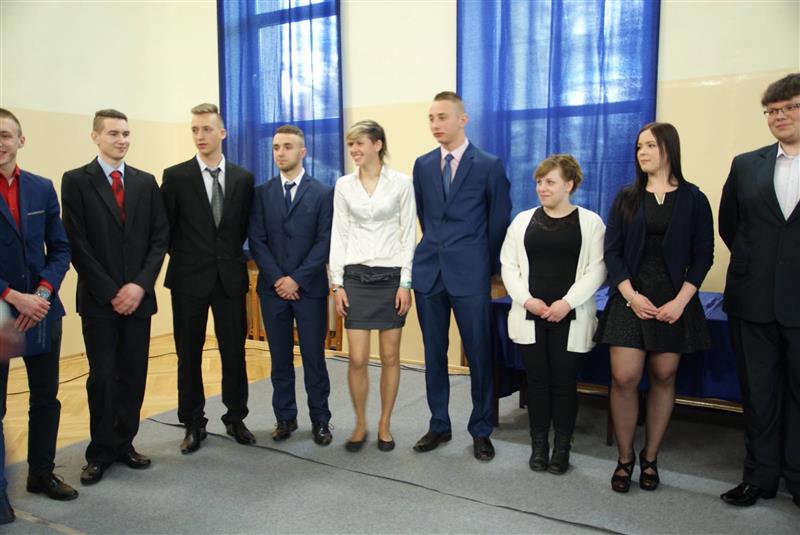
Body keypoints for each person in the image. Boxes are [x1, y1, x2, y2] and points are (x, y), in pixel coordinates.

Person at [596, 122, 714, 493]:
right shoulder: (626, 197)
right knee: (624, 377)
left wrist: (680, 302)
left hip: (673, 300)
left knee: (664, 375)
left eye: (650, 145)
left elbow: (703, 256)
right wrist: (631, 295)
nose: (642, 152)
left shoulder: (694, 199)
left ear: (669, 149)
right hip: (630, 296)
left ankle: (650, 457)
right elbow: (612, 252)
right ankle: (625, 458)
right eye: (639, 147)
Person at [61, 109, 169, 485]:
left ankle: (124, 443)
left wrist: (139, 286)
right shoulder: (76, 181)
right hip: (99, 301)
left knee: (134, 376)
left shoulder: (145, 182)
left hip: (140, 299)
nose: (121, 140)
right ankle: (100, 452)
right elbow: (77, 243)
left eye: (125, 133)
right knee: (103, 378)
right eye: (113, 133)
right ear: (95, 137)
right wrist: (111, 292)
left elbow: (160, 238)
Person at [412, 92, 511, 461]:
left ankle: (481, 429)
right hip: (429, 273)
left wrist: (483, 265)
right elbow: (424, 215)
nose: (435, 124)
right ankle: (439, 423)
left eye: (442, 117)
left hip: (471, 273)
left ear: (462, 119)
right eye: (431, 118)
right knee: (434, 353)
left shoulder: (488, 165)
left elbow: (498, 221)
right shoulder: (423, 165)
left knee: (479, 354)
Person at [719, 73, 800, 509]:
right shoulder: (746, 164)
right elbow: (730, 225)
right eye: (772, 111)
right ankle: (759, 476)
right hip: (752, 299)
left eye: (790, 107)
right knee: (758, 393)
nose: (779, 116)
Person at [500, 154, 606, 474]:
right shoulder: (522, 221)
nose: (542, 188)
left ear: (569, 184)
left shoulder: (591, 223)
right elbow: (509, 266)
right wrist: (527, 300)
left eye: (550, 182)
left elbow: (597, 269)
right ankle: (538, 446)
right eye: (539, 182)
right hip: (531, 314)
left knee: (563, 382)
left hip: (569, 316)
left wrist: (567, 303)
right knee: (536, 382)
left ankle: (561, 447)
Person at [161, 103, 255, 454]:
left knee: (234, 353)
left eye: (207, 129)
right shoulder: (176, 176)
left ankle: (235, 417)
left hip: (229, 278)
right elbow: (165, 230)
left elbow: (244, 227)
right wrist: (190, 259)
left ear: (223, 133)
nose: (200, 136)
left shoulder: (243, 179)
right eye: (195, 130)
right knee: (188, 355)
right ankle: (192, 423)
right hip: (188, 280)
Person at [0, 108, 77, 524]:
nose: (0, 143)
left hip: (43, 309)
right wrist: (14, 297)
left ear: (21, 140)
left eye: (5, 135)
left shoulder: (41, 188)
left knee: (45, 397)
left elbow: (60, 248)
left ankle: (41, 473)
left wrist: (42, 295)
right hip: (1, 311)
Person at [330, 120, 415, 452]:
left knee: (390, 356)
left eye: (359, 143)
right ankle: (360, 423)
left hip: (390, 277)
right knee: (357, 358)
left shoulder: (401, 183)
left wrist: (405, 282)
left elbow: (408, 234)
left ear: (377, 145)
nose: (354, 149)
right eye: (351, 144)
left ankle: (384, 424)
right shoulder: (343, 185)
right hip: (355, 277)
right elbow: (339, 233)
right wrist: (337, 283)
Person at [248, 125, 333, 445]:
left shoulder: (323, 192)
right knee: (280, 359)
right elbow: (257, 240)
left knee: (314, 359)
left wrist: (296, 279)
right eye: (275, 147)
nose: (280, 153)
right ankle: (285, 418)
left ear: (303, 152)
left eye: (287, 147)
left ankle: (320, 420)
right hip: (273, 291)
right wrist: (278, 279)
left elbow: (324, 242)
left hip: (309, 290)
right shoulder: (261, 193)